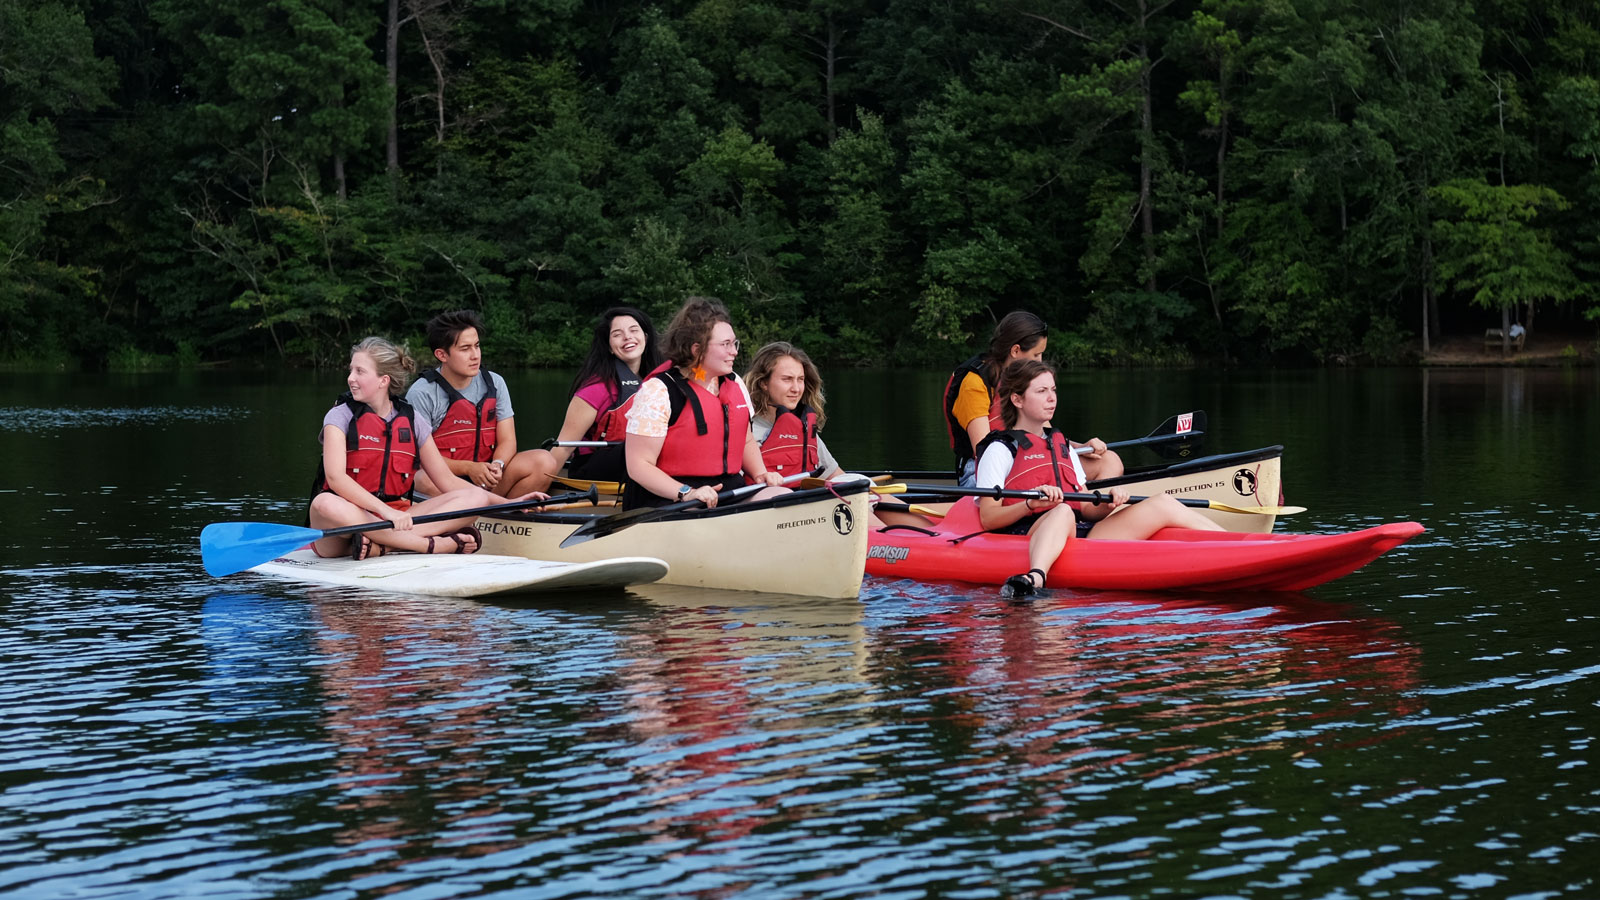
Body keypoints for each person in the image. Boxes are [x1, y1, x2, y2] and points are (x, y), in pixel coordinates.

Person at [976, 358, 1223, 597]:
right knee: (1061, 511)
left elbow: (1084, 506)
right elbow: (988, 518)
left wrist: (1106, 502)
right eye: (1041, 391)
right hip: (1027, 534)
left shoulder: (1062, 446)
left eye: (1053, 389)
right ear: (1017, 399)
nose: (1051, 398)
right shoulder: (1000, 449)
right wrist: (1030, 504)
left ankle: (1238, 543)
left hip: (1081, 533)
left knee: (1163, 503)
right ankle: (1036, 577)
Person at [307, 337, 546, 560]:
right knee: (324, 503)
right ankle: (430, 545)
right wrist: (387, 513)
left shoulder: (412, 421)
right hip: (343, 531)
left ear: (384, 380)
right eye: (351, 370)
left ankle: (385, 546)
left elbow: (447, 482)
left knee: (476, 496)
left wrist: (511, 504)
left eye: (359, 371)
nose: (350, 378)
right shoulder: (338, 416)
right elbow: (335, 478)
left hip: (399, 519)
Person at [622, 296, 786, 509]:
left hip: (727, 490)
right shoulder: (658, 391)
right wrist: (686, 493)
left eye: (734, 343)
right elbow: (638, 465)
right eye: (725, 344)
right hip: (671, 497)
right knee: (695, 514)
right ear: (696, 349)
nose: (734, 351)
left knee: (782, 496)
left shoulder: (734, 382)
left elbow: (744, 440)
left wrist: (761, 473)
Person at [744, 341, 927, 528]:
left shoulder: (804, 430)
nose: (796, 388)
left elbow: (837, 476)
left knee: (856, 483)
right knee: (846, 494)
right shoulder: (747, 432)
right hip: (778, 519)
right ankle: (889, 543)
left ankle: (930, 533)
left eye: (800, 379)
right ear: (764, 383)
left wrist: (861, 487)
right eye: (787, 379)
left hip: (809, 512)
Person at [944, 311, 1124, 487]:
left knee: (1109, 461)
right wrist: (1035, 462)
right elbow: (984, 453)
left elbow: (1047, 438)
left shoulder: (1025, 379)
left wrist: (1078, 447)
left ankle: (1081, 512)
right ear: (1015, 350)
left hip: (1031, 459)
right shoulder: (974, 383)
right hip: (983, 472)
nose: (1040, 361)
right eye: (1036, 355)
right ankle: (1063, 508)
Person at [506, 307, 665, 496]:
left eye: (633, 330)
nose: (627, 337)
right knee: (636, 449)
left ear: (645, 337)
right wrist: (539, 489)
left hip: (635, 464)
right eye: (617, 334)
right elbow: (562, 450)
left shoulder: (658, 383)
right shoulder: (594, 390)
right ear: (608, 346)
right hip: (592, 469)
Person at [404, 310, 538, 497]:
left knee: (543, 461)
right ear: (442, 355)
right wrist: (469, 468)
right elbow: (420, 458)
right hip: (445, 482)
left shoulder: (495, 383)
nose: (475, 355)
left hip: (488, 477)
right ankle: (484, 508)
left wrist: (497, 465)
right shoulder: (422, 393)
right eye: (465, 349)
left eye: (477, 346)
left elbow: (508, 440)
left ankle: (491, 512)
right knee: (420, 478)